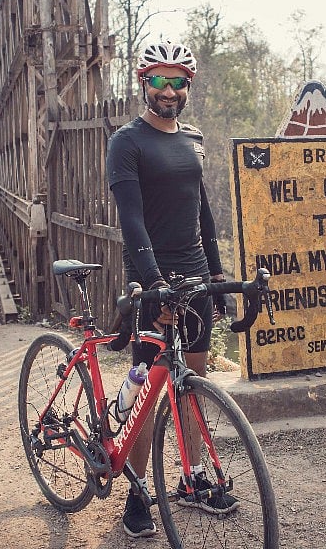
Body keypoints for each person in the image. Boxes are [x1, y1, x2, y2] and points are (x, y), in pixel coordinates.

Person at [106, 40, 234, 537]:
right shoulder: (127, 142)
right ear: (143, 82)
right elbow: (132, 222)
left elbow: (203, 214)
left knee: (191, 380)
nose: (168, 89)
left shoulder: (194, 139)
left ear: (188, 87)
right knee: (149, 383)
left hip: (195, 275)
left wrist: (219, 278)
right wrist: (152, 283)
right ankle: (136, 490)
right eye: (159, 79)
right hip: (150, 278)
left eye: (178, 80)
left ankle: (192, 478)